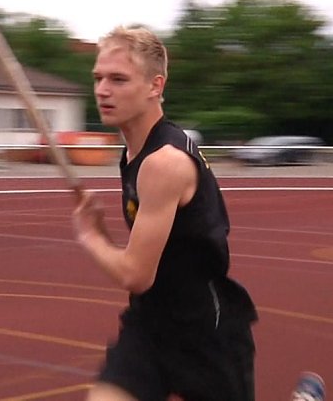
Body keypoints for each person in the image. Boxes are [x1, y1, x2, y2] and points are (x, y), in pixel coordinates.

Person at [71, 25, 260, 401]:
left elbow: (135, 274)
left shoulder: (164, 163)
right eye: (98, 78)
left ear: (155, 86)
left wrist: (91, 235)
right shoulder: (133, 153)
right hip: (150, 325)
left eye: (118, 79)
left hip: (206, 333)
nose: (102, 90)